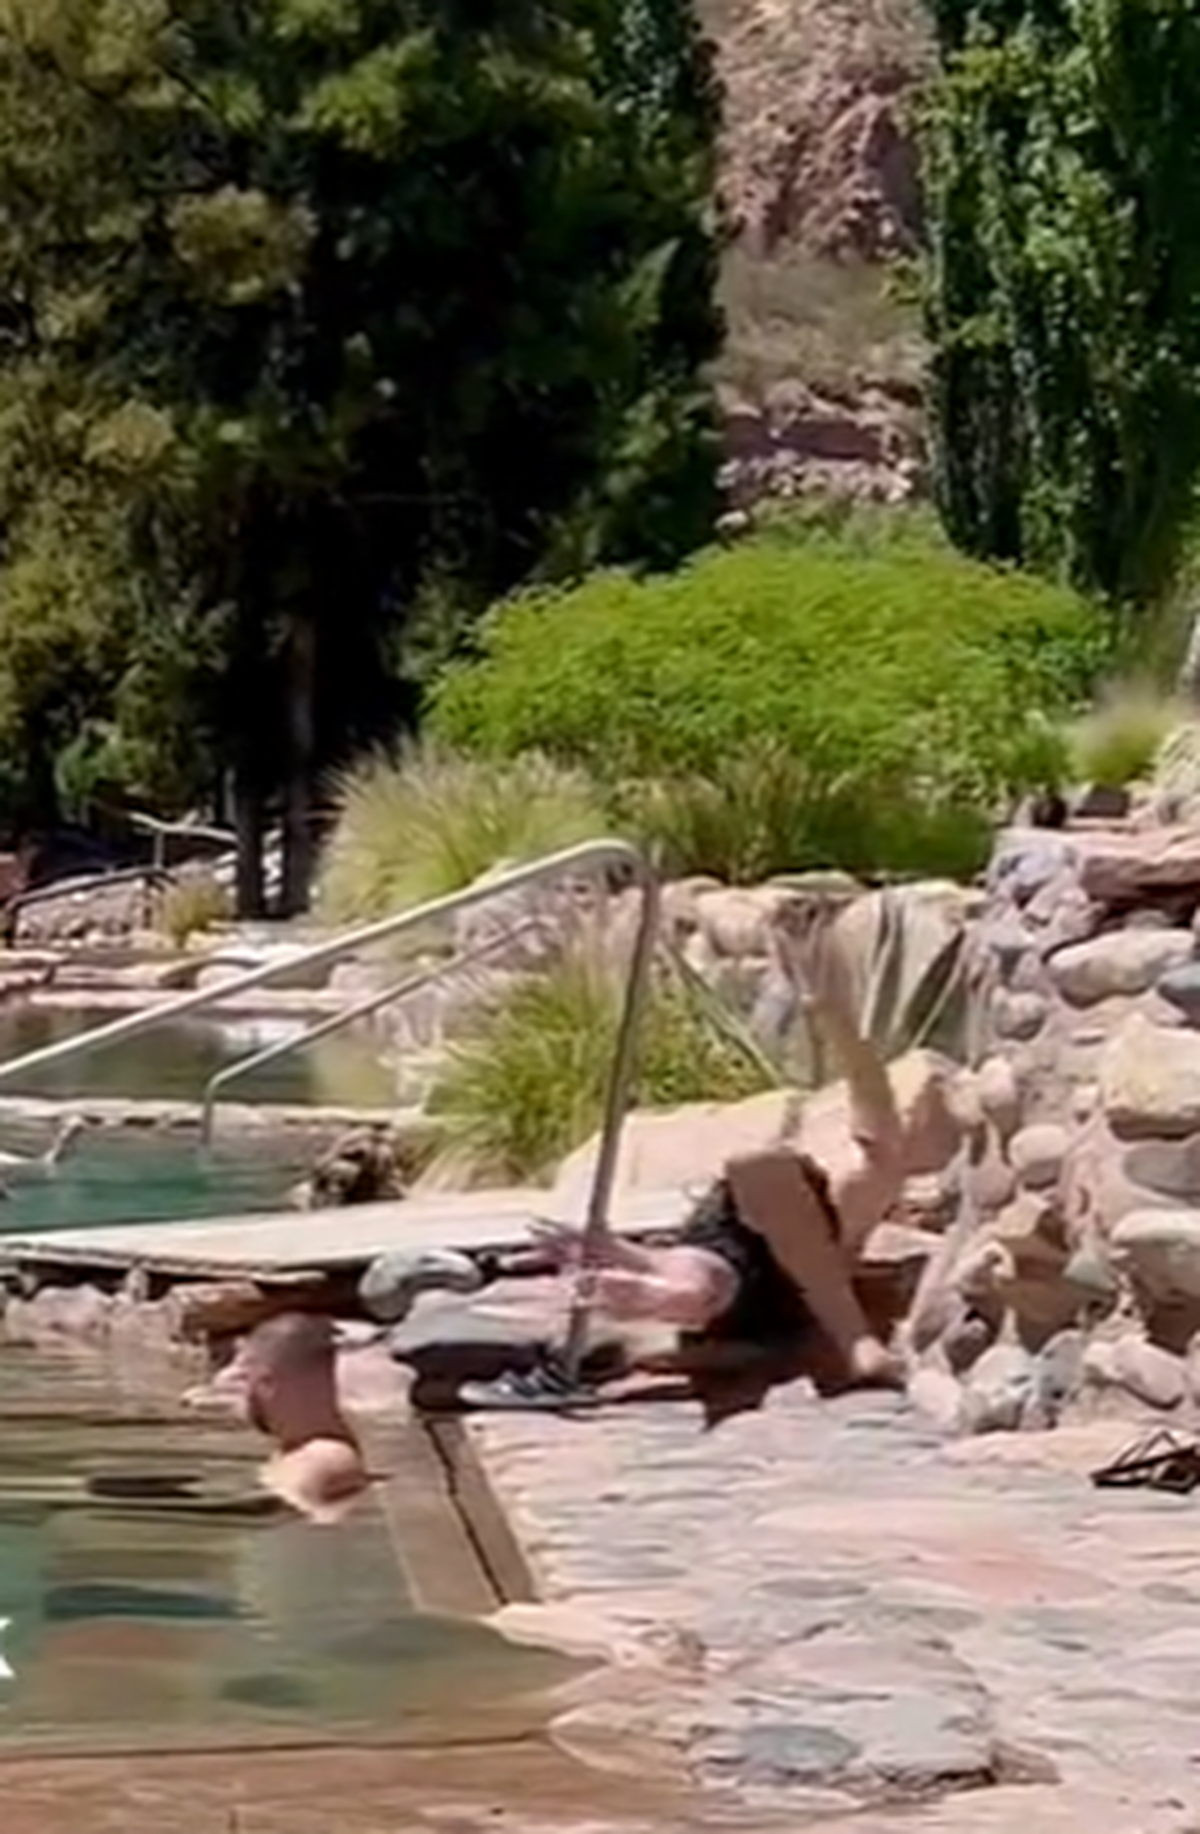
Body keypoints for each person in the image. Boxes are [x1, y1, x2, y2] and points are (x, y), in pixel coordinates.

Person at [360, 899, 974, 1396]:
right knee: (714, 1250)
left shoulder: (833, 1190)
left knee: (745, 1195)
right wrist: (626, 1256)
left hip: (731, 1288)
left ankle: (736, 1312)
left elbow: (876, 1128)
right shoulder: (844, 1202)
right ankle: (703, 1305)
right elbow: (877, 1139)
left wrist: (834, 1019)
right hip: (728, 1291)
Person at [187, 1313, 371, 1524]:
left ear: (265, 1383)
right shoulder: (309, 1453)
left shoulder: (321, 1461)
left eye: (245, 1378)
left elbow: (291, 1527)